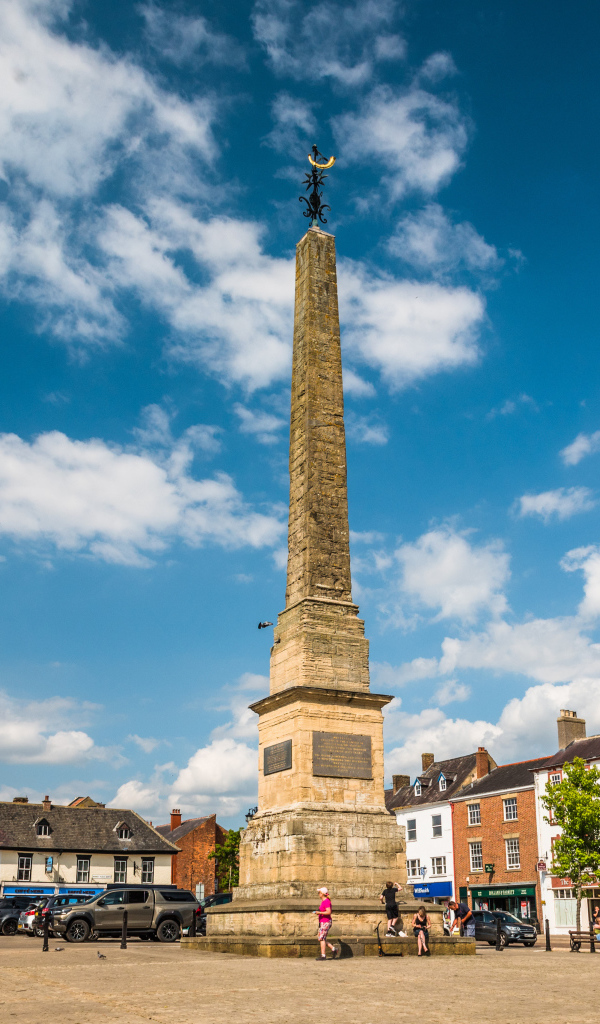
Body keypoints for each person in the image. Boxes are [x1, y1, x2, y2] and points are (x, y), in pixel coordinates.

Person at [313, 887, 338, 961]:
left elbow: (328, 912)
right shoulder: (324, 901)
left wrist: (320, 912)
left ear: (322, 894)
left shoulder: (326, 901)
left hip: (326, 922)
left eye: (319, 893)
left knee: (321, 938)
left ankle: (323, 955)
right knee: (322, 938)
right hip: (323, 921)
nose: (318, 894)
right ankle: (333, 949)